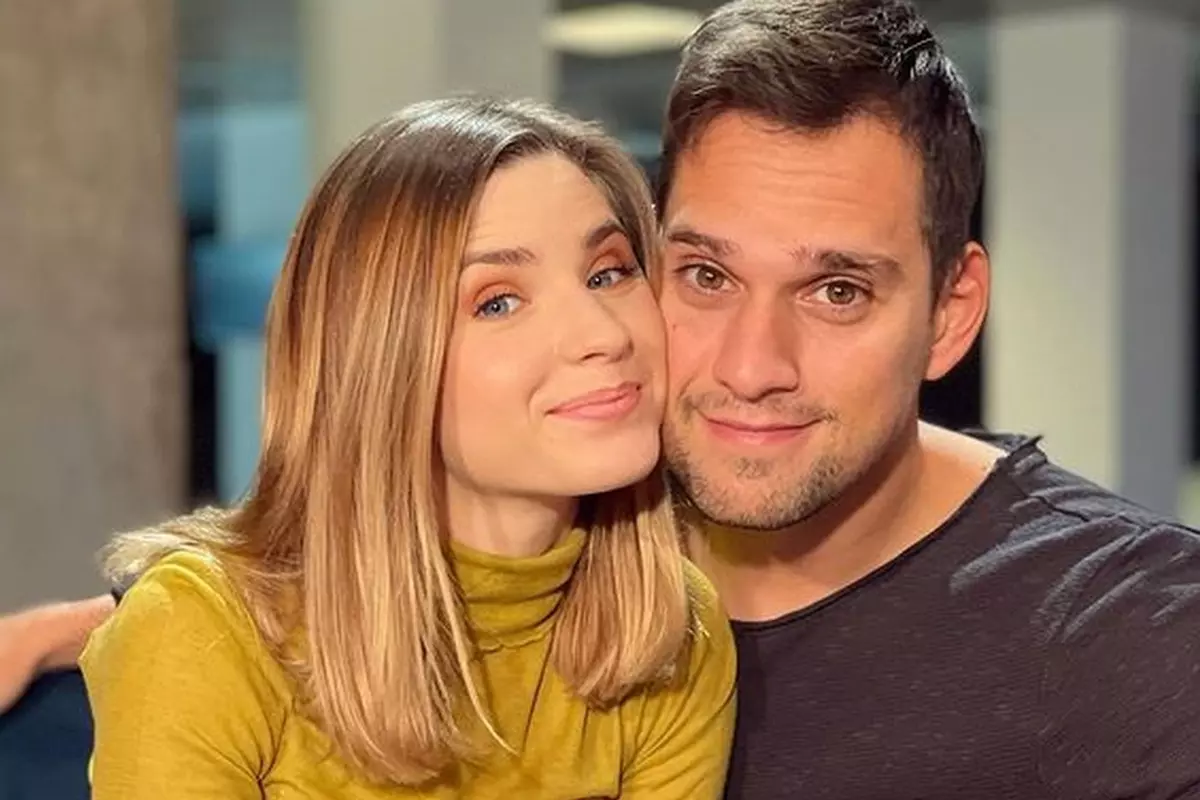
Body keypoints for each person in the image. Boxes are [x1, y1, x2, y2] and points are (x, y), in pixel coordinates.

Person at [7, 0, 1200, 797]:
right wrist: (121, 623)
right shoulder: (601, 488)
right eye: (704, 274)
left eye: (838, 290)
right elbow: (331, 581)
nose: (751, 364)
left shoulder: (1136, 628)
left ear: (950, 310)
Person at [73, 96, 736, 799]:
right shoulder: (197, 632)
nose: (603, 334)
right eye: (498, 302)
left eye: (609, 272)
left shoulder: (678, 629)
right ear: (381, 361)